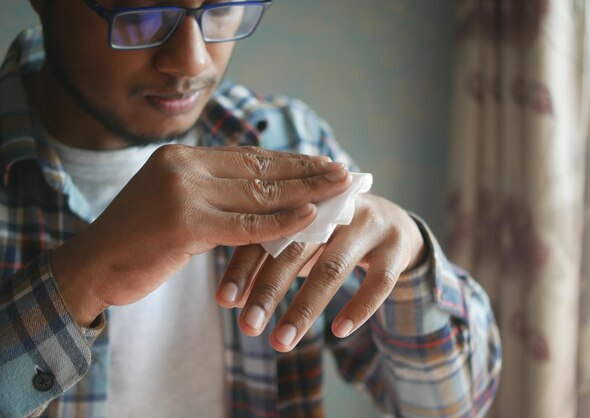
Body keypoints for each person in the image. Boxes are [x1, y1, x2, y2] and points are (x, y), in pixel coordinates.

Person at [0, 0, 502, 417]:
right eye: (142, 13)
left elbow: (456, 405)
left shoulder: (285, 138)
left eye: (223, 9)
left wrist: (410, 258)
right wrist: (83, 279)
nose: (192, 62)